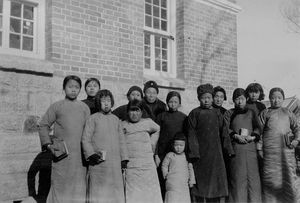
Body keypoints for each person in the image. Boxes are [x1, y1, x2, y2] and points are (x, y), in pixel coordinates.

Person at [39, 75, 90, 202]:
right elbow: (43, 125)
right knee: (60, 185)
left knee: (79, 187)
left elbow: (89, 131)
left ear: (80, 90)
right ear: (64, 88)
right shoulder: (56, 106)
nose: (73, 90)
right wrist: (48, 144)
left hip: (79, 157)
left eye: (77, 87)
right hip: (62, 155)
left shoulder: (84, 108)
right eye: (70, 87)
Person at [187, 83, 234, 203]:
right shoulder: (194, 113)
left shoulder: (217, 113)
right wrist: (194, 153)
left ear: (212, 98)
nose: (206, 100)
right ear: (199, 99)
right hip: (201, 156)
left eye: (208, 98)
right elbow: (191, 134)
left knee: (216, 185)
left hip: (216, 155)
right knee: (202, 186)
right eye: (203, 98)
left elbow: (224, 132)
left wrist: (228, 149)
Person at [81, 89, 129, 203]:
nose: (106, 103)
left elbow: (122, 140)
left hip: (115, 163)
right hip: (99, 163)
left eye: (108, 100)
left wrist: (124, 158)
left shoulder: (116, 120)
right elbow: (85, 139)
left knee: (115, 190)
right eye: (103, 101)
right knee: (99, 191)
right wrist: (91, 154)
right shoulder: (92, 119)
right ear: (98, 103)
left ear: (111, 102)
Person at [259, 87, 300, 203]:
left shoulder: (288, 113)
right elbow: (259, 131)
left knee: (288, 178)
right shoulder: (265, 113)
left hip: (286, 153)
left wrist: (296, 140)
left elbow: (297, 128)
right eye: (273, 98)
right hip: (270, 154)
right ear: (269, 99)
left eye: (279, 98)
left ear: (283, 99)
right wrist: (259, 149)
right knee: (270, 180)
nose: (276, 100)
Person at [223, 88, 262, 203]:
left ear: (246, 99)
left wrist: (253, 137)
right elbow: (225, 129)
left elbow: (258, 128)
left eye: (242, 99)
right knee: (238, 180)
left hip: (250, 150)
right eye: (237, 99)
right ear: (233, 100)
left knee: (253, 180)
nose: (239, 102)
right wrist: (235, 136)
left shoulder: (251, 112)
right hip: (237, 151)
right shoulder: (229, 113)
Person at [122, 99, 163, 203]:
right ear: (127, 112)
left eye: (137, 110)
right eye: (132, 110)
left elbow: (157, 129)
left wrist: (152, 143)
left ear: (141, 112)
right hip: (132, 166)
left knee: (150, 193)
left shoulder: (147, 122)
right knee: (133, 195)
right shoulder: (122, 124)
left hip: (147, 166)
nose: (134, 114)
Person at [155, 91, 187, 199]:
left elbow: (186, 137)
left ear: (180, 103)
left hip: (178, 154)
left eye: (175, 102)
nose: (173, 104)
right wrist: (156, 155)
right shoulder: (161, 116)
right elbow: (156, 136)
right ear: (167, 103)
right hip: (163, 153)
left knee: (177, 182)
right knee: (164, 179)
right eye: (170, 102)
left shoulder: (183, 117)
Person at [162, 132, 196, 203]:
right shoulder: (170, 155)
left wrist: (191, 181)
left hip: (183, 184)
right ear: (173, 145)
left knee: (183, 198)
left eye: (181, 145)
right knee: (172, 198)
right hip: (172, 183)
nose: (178, 148)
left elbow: (190, 169)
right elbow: (164, 165)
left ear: (185, 145)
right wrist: (165, 175)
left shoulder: (186, 157)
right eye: (176, 145)